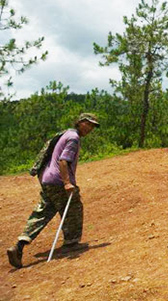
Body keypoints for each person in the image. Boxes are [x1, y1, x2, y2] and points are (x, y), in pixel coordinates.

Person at [7, 113, 99, 269]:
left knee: (42, 213)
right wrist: (67, 183)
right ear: (79, 122)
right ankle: (71, 244)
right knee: (74, 208)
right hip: (58, 181)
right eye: (87, 124)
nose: (89, 128)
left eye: (92, 126)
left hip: (48, 180)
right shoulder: (73, 138)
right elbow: (63, 161)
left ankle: (19, 246)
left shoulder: (66, 133)